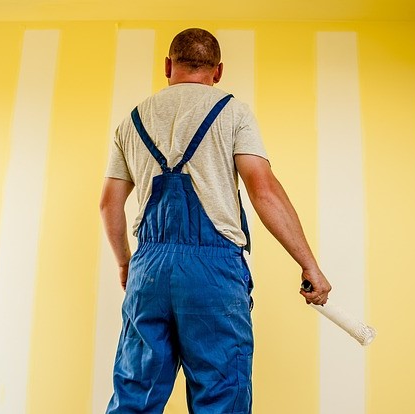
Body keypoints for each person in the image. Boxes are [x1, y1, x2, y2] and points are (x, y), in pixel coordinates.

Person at [100, 27, 331, 414]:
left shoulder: (132, 121)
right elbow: (264, 192)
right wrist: (310, 265)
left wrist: (127, 263)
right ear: (218, 71)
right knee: (221, 398)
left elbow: (109, 203)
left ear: (168, 66)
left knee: (134, 397)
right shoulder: (233, 112)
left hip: (149, 271)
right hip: (213, 270)